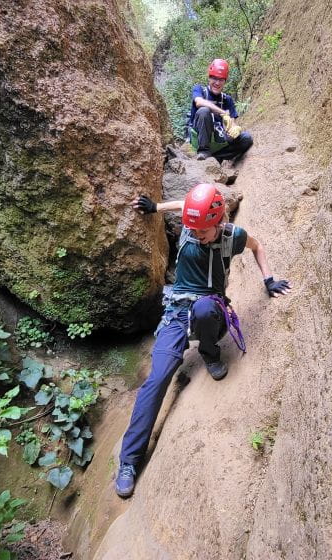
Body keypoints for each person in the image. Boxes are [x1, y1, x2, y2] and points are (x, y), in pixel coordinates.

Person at [115, 183, 291, 498]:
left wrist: (268, 280)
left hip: (209, 308)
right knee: (157, 378)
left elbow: (257, 246)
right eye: (192, 229)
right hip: (176, 312)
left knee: (206, 307)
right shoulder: (193, 222)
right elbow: (184, 205)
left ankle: (210, 352)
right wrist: (155, 207)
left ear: (219, 220)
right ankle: (129, 461)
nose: (196, 234)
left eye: (202, 231)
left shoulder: (231, 237)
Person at [187, 59, 254, 162]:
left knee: (246, 138)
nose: (217, 83)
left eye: (221, 79)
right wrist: (222, 113)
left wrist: (235, 128)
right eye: (214, 78)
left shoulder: (227, 100)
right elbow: (199, 102)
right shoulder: (199, 89)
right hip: (200, 140)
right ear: (209, 78)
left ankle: (216, 157)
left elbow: (231, 124)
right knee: (204, 111)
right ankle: (203, 152)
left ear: (225, 81)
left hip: (218, 140)